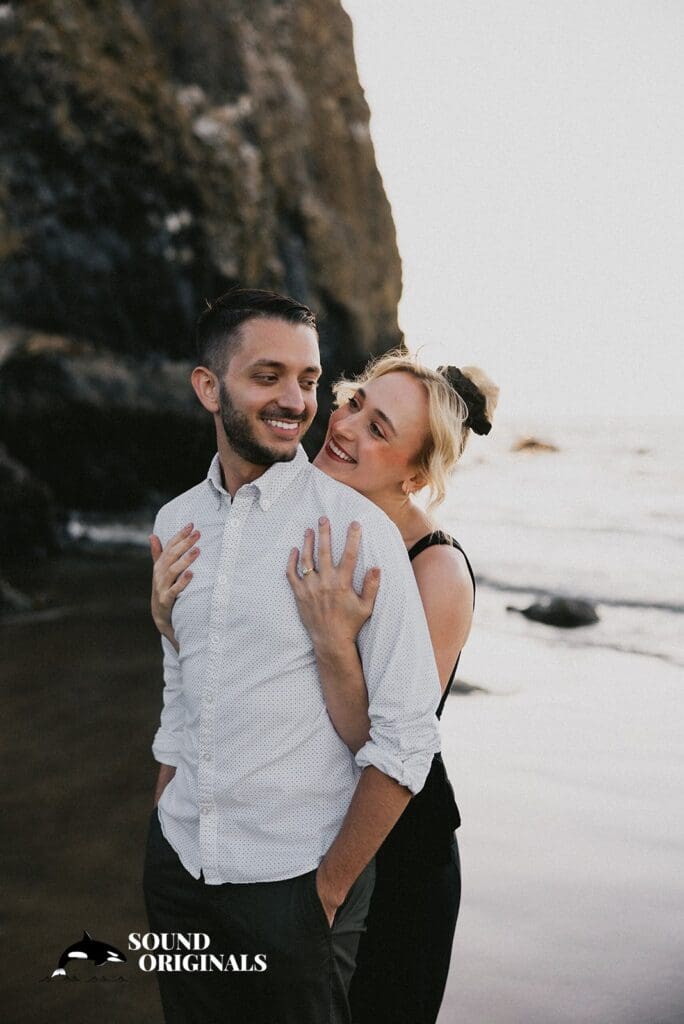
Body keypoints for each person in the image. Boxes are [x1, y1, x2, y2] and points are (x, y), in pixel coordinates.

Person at [153, 342, 499, 1024]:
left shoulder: (437, 572)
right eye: (355, 404)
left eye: (378, 430)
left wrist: (332, 641)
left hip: (397, 855)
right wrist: (171, 619)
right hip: (290, 843)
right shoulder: (311, 516)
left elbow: (387, 745)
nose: (342, 426)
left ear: (414, 477)